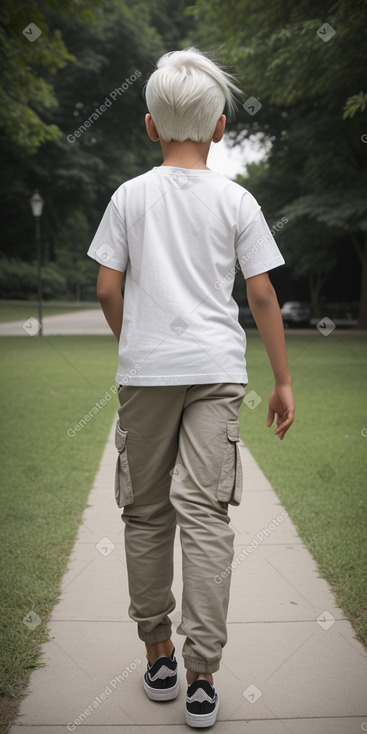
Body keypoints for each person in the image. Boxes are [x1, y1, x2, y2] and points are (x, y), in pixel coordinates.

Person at [87, 47, 294, 728]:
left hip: (147, 375)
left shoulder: (128, 196)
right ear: (221, 128)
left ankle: (157, 655)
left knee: (146, 513)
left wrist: (137, 344)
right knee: (205, 517)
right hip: (216, 373)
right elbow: (260, 295)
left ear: (150, 126)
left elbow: (106, 287)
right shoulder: (237, 200)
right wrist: (282, 381)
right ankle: (203, 675)